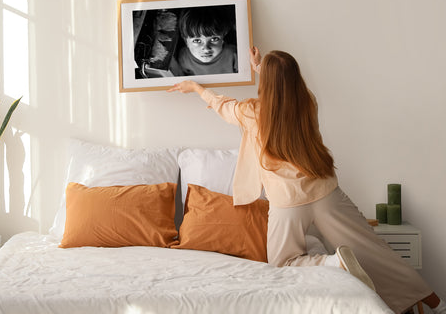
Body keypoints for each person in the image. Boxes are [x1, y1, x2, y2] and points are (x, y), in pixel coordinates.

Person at [167, 46, 445, 314]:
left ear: (269, 81)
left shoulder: (253, 112)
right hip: (325, 192)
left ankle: (334, 263)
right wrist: (262, 67)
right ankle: (436, 303)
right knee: (374, 251)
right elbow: (283, 84)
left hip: (288, 203)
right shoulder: (307, 102)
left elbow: (223, 106)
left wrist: (197, 88)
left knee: (282, 263)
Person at [167, 6, 238, 76]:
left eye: (214, 39)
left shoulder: (233, 55)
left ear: (223, 39)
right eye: (197, 41)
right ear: (186, 41)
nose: (206, 48)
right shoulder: (183, 57)